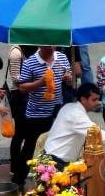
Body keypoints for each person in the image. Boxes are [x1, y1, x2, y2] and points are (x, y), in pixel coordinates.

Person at [12, 46, 73, 188]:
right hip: (37, 113)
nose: (51, 49)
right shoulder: (30, 62)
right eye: (47, 47)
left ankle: (52, 178)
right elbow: (22, 87)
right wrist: (40, 82)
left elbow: (70, 81)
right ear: (41, 46)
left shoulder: (62, 58)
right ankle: (18, 179)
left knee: (55, 146)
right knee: (31, 146)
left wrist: (68, 79)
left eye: (53, 46)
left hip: (57, 110)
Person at [43, 83, 105, 166]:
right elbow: (97, 133)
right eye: (94, 100)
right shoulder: (75, 115)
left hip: (55, 158)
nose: (98, 103)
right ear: (83, 99)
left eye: (98, 99)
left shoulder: (70, 107)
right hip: (56, 162)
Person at [6, 45, 38, 177]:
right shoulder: (16, 53)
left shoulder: (28, 50)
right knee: (19, 134)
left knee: (27, 132)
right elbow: (15, 78)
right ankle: (15, 167)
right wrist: (35, 79)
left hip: (27, 95)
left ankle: (22, 165)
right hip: (19, 97)